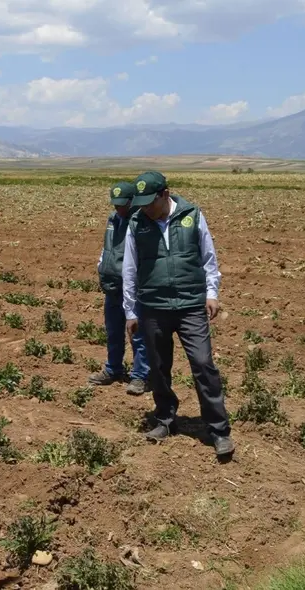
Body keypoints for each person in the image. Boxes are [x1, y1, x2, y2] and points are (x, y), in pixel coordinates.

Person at [123, 171, 233, 458]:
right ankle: (165, 419)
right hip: (153, 307)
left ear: (166, 194)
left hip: (190, 304)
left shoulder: (192, 215)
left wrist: (212, 293)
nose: (145, 208)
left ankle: (218, 430)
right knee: (158, 368)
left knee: (203, 363)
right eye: (141, 202)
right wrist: (131, 310)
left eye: (150, 202)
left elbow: (209, 256)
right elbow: (130, 269)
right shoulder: (137, 223)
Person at [89, 181, 150, 395]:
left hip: (133, 288)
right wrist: (101, 264)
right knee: (113, 331)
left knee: (137, 332)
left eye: (122, 204)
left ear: (133, 201)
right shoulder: (113, 220)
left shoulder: (140, 221)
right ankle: (113, 368)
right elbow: (108, 248)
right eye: (115, 204)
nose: (118, 208)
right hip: (112, 285)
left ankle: (140, 376)